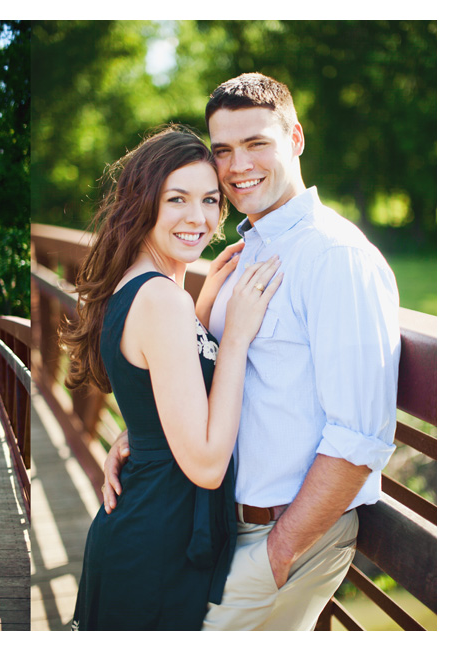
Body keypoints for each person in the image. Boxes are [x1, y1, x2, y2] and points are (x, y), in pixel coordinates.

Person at [102, 73, 401, 630]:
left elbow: (359, 435)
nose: (238, 165)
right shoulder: (245, 250)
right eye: (223, 151)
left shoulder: (336, 258)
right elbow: (201, 368)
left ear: (296, 138)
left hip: (280, 536)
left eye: (257, 143)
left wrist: (280, 551)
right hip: (216, 527)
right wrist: (144, 431)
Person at [61, 124, 283, 630]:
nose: (197, 217)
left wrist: (202, 307)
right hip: (156, 543)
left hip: (149, 526)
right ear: (143, 203)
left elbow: (163, 379)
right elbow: (205, 465)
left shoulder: (147, 289)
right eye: (177, 199)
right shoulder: (161, 300)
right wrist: (235, 337)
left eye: (209, 200)